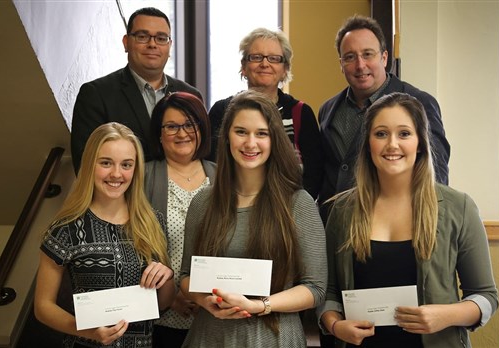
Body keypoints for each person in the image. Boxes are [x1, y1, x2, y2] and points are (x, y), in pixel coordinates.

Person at [317, 92, 498, 347]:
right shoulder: (343, 209)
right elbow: (330, 292)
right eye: (381, 134)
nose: (392, 145)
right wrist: (335, 325)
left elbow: (486, 296)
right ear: (368, 144)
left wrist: (446, 316)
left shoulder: (460, 207)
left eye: (404, 134)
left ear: (420, 142)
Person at [180, 90, 327, 347]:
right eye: (241, 132)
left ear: (274, 140)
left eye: (261, 133)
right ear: (226, 137)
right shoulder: (202, 202)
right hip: (211, 336)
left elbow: (315, 289)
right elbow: (185, 277)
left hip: (273, 337)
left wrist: (259, 306)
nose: (250, 143)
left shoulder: (297, 203)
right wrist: (206, 301)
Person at [35, 122, 176, 348]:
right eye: (106, 163)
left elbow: (163, 305)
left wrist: (166, 277)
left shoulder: (153, 222)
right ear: (90, 164)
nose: (116, 174)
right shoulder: (65, 228)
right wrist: (87, 331)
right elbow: (42, 307)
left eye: (126, 164)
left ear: (136, 169)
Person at [318, 15, 451, 222]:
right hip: (337, 229)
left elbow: (437, 175)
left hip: (396, 227)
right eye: (350, 57)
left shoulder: (420, 102)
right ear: (341, 64)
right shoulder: (328, 109)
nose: (360, 65)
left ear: (384, 57)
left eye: (368, 54)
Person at [71, 7, 203, 174]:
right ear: (126, 42)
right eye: (142, 36)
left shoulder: (191, 95)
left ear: (170, 45)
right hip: (122, 198)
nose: (152, 44)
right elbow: (86, 165)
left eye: (161, 38)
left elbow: (200, 155)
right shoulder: (96, 94)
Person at [207, 28, 323, 198]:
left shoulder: (300, 113)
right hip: (232, 207)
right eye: (256, 57)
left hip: (287, 211)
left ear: (285, 69)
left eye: (274, 59)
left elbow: (315, 174)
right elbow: (213, 166)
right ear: (244, 67)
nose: (265, 64)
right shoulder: (221, 111)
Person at [143, 92, 216, 347]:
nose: (182, 133)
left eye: (189, 124)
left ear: (202, 129)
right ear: (159, 134)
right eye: (172, 126)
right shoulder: (143, 177)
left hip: (215, 316)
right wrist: (170, 296)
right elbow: (130, 245)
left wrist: (205, 297)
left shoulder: (223, 178)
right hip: (163, 318)